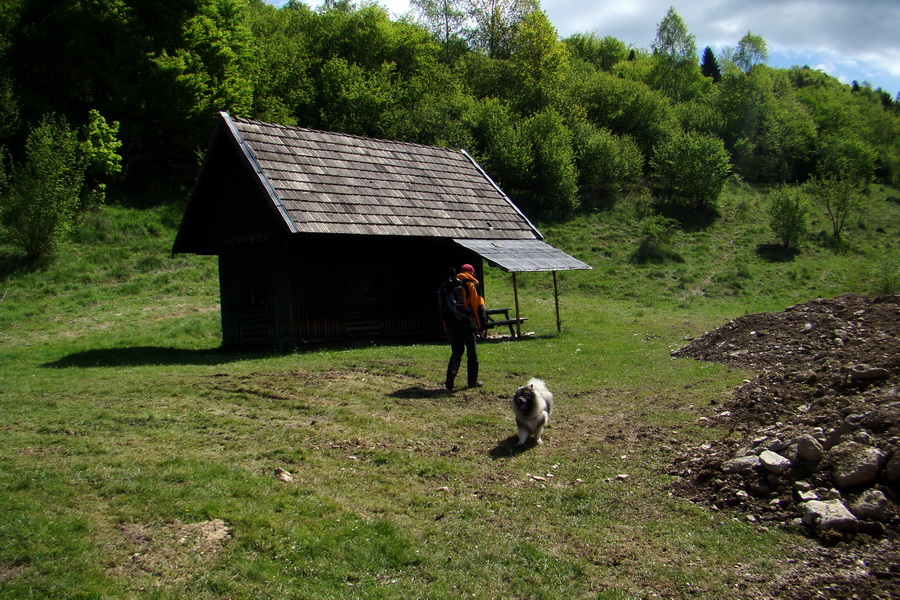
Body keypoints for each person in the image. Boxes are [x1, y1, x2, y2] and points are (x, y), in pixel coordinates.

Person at [444, 263, 487, 390]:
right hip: (466, 322)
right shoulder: (471, 283)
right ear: (472, 273)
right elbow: (478, 306)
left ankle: (451, 373)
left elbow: (444, 308)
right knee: (471, 352)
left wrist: (446, 326)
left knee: (457, 351)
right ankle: (472, 382)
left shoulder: (449, 284)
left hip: (452, 322)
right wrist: (481, 326)